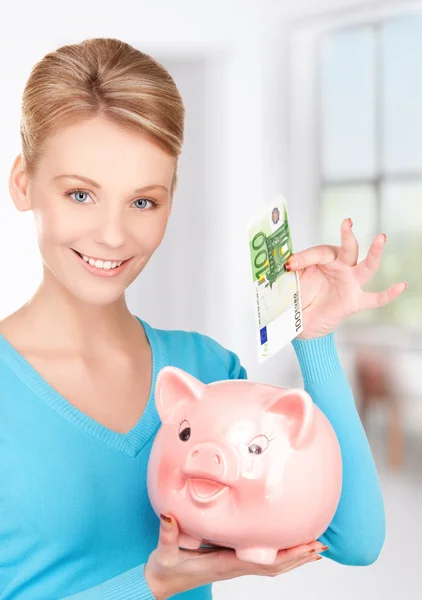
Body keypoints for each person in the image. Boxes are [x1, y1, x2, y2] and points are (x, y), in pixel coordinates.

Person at [0, 38, 407, 600]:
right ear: (24, 183)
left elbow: (352, 540)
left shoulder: (208, 375)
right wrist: (154, 583)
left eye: (143, 201)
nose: (114, 235)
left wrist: (314, 339)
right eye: (80, 195)